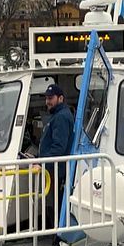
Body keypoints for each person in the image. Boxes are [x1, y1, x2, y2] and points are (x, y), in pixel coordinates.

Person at [38, 84, 73, 230]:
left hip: (58, 170)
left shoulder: (61, 117)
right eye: (46, 98)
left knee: (58, 204)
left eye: (51, 98)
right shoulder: (60, 115)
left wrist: (42, 163)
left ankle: (58, 236)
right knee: (56, 204)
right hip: (55, 168)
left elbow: (59, 147)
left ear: (60, 98)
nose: (47, 101)